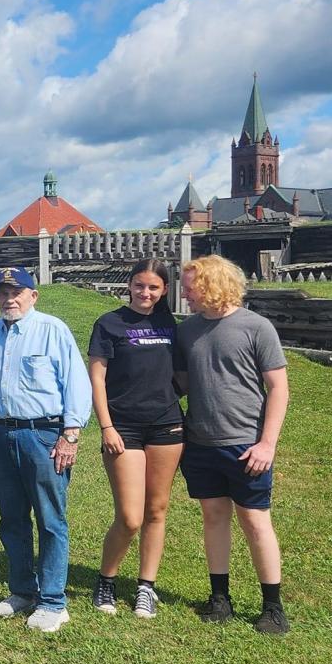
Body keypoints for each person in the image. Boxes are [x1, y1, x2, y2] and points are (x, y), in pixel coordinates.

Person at [0, 267, 90, 633]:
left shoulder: (53, 330)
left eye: (16, 292)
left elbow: (76, 384)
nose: (9, 299)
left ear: (33, 295)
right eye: (2, 293)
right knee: (12, 517)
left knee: (50, 519)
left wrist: (70, 435)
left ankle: (53, 602)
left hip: (44, 435)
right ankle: (22, 591)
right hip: (1, 435)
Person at [175, 255, 290, 635]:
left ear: (210, 284)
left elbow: (279, 388)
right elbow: (181, 384)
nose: (184, 294)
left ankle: (272, 606)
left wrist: (267, 445)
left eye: (189, 287)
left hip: (246, 446)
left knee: (255, 521)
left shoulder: (256, 327)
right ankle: (220, 597)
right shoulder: (187, 330)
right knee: (214, 517)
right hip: (201, 444)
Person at [87, 259, 184, 619]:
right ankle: (106, 580)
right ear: (128, 285)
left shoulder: (170, 325)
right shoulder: (109, 323)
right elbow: (97, 379)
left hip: (167, 426)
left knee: (156, 511)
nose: (146, 293)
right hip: (123, 428)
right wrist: (106, 426)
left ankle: (146, 587)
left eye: (154, 287)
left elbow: (182, 374)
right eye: (140, 285)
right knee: (130, 517)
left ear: (165, 290)